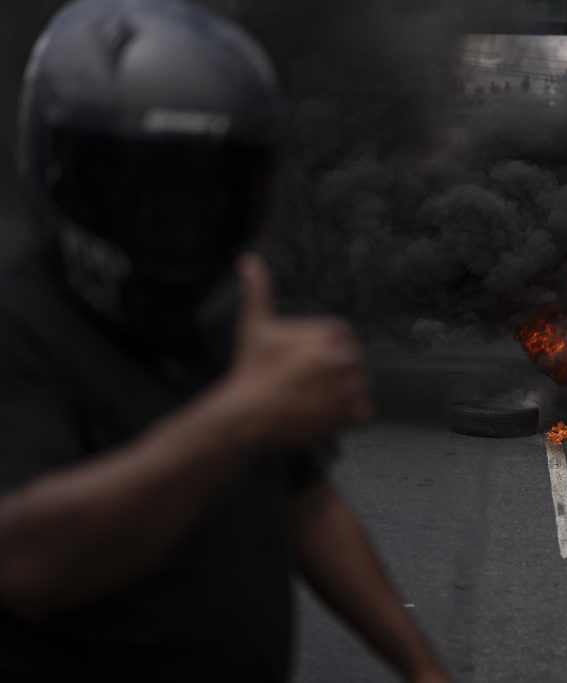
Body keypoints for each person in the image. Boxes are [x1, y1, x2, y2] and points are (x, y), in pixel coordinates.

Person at [0, 1, 449, 681]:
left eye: (208, 189)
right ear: (63, 171)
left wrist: (424, 668)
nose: (177, 221)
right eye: (144, 188)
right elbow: (26, 561)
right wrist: (242, 415)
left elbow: (308, 502)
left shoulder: (228, 313)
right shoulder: (19, 324)